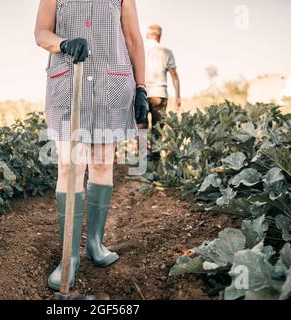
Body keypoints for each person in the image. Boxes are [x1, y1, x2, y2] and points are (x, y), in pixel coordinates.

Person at [34, 0, 149, 291]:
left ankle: (95, 244)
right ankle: (68, 257)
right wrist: (64, 43)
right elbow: (41, 33)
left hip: (111, 84)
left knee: (101, 162)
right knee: (69, 165)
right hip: (68, 83)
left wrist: (141, 87)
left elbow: (134, 39)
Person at [144, 24, 181, 158]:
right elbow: (174, 76)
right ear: (160, 36)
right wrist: (177, 96)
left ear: (147, 35)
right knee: (157, 127)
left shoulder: (140, 48)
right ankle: (155, 157)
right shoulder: (166, 51)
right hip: (159, 93)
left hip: (141, 92)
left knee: (141, 126)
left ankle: (142, 156)